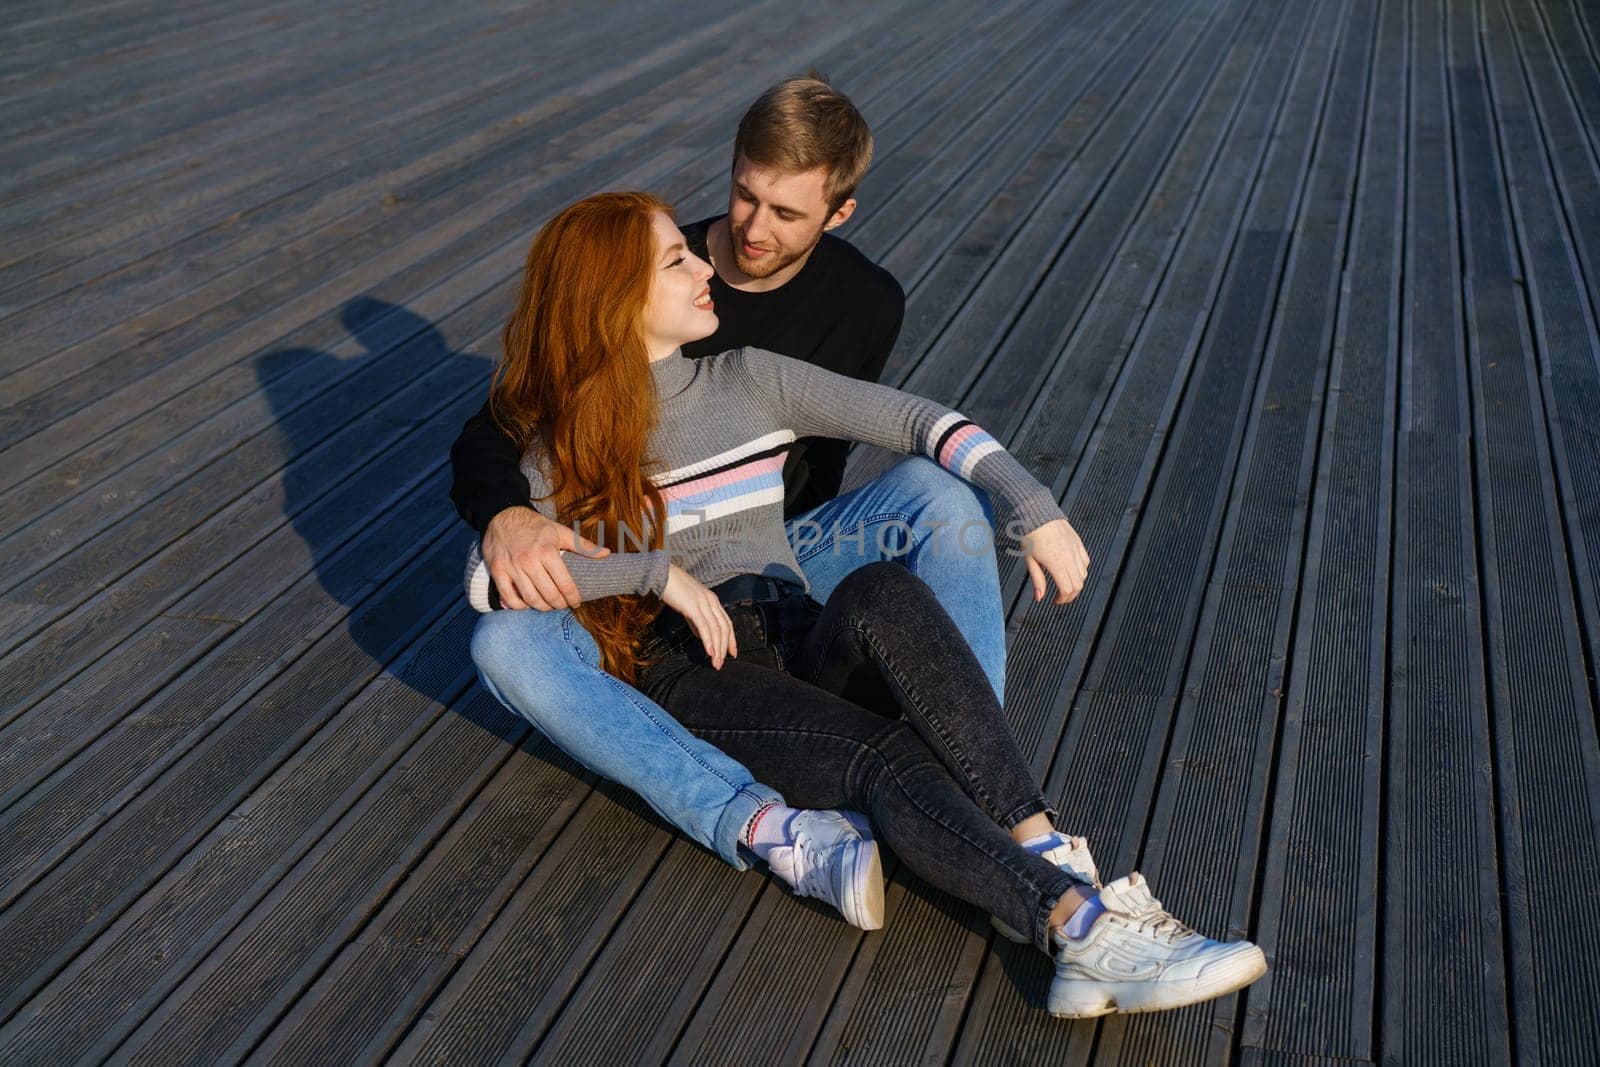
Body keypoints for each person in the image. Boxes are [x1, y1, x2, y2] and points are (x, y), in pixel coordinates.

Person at [464, 189, 1268, 1018]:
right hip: (697, 673)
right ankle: (1083, 933)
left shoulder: (748, 378)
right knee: (885, 752)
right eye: (678, 261)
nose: (708, 266)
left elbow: (920, 421)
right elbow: (491, 586)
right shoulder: (558, 442)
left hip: (798, 626)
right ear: (613, 297)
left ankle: (1040, 845)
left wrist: (1030, 506)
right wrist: (654, 574)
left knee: (883, 588)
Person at [457, 76, 1101, 937]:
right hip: (662, 611)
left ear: (837, 213)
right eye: (741, 196)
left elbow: (906, 422)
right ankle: (785, 821)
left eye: (785, 214)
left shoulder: (833, 321)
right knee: (507, 638)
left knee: (931, 501)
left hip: (778, 551)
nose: (744, 236)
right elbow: (493, 456)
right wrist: (549, 531)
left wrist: (1032, 503)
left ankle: (977, 778)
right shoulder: (613, 337)